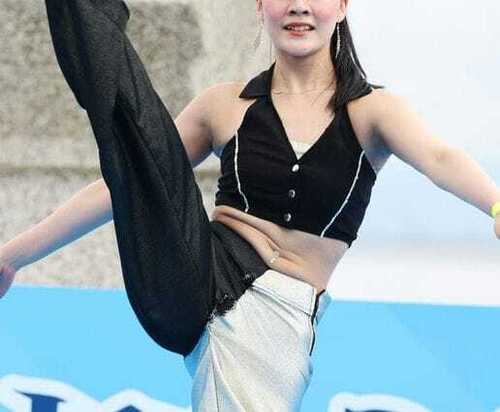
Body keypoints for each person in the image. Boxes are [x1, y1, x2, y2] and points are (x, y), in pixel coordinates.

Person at [1, 0, 499, 410]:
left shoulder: (372, 111)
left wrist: (496, 205)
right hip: (197, 269)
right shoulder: (225, 104)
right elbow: (121, 184)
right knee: (136, 141)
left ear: (343, 7)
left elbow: (440, 158)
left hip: (278, 312)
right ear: (260, 6)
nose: (299, 7)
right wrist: (12, 256)